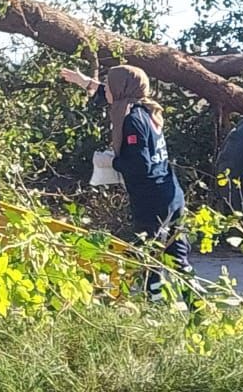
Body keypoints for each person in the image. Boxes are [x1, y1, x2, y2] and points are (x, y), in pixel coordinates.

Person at [58, 64, 195, 297]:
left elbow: (140, 165)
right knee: (177, 258)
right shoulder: (144, 109)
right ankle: (199, 307)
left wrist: (110, 162)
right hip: (171, 195)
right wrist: (85, 82)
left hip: (151, 201)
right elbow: (110, 95)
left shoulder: (132, 119)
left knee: (149, 259)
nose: (107, 90)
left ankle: (156, 307)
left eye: (110, 85)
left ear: (121, 89)